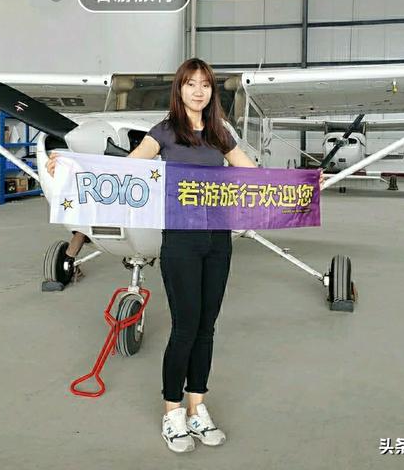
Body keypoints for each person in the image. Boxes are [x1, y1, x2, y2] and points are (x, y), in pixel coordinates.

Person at [47, 58, 257, 453]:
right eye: (191, 84)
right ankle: (172, 412)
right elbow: (123, 170)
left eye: (205, 84)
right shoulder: (165, 131)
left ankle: (197, 407)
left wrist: (304, 184)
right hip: (181, 241)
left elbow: (254, 174)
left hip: (218, 240)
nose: (199, 91)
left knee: (207, 327)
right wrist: (71, 166)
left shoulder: (220, 133)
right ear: (180, 90)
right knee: (185, 327)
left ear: (212, 91)